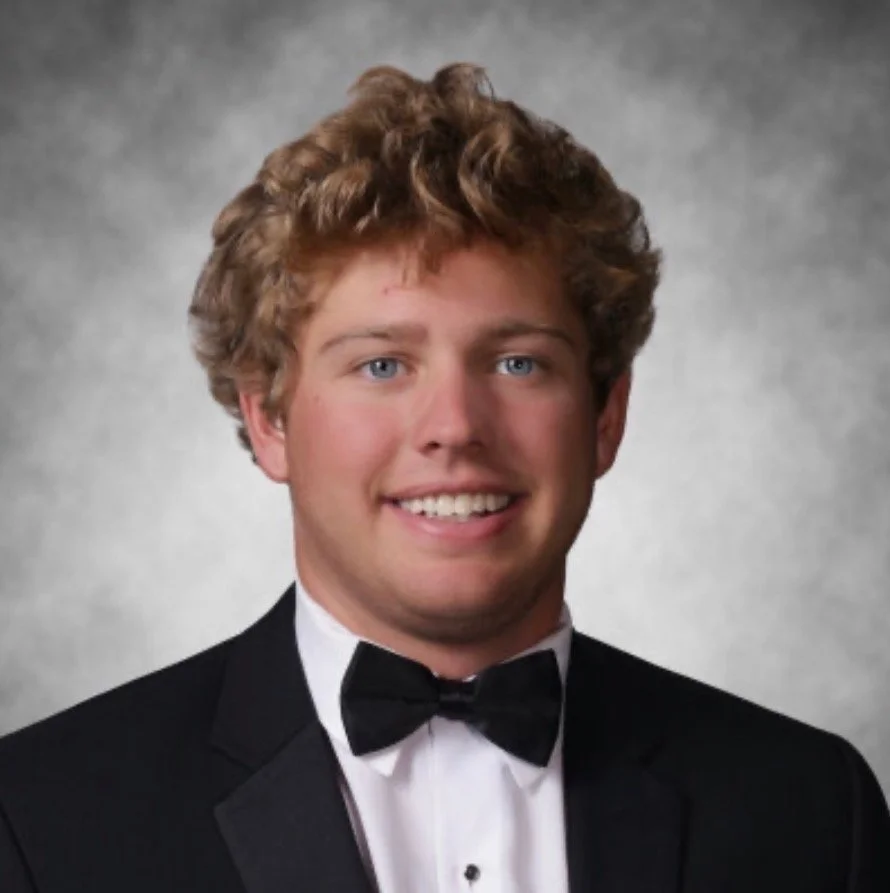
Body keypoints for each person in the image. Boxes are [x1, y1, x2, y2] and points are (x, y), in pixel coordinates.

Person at [0, 61, 887, 893]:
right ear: (271, 420)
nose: (456, 428)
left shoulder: (813, 812)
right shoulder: (42, 818)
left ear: (606, 415)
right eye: (383, 365)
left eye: (517, 364)